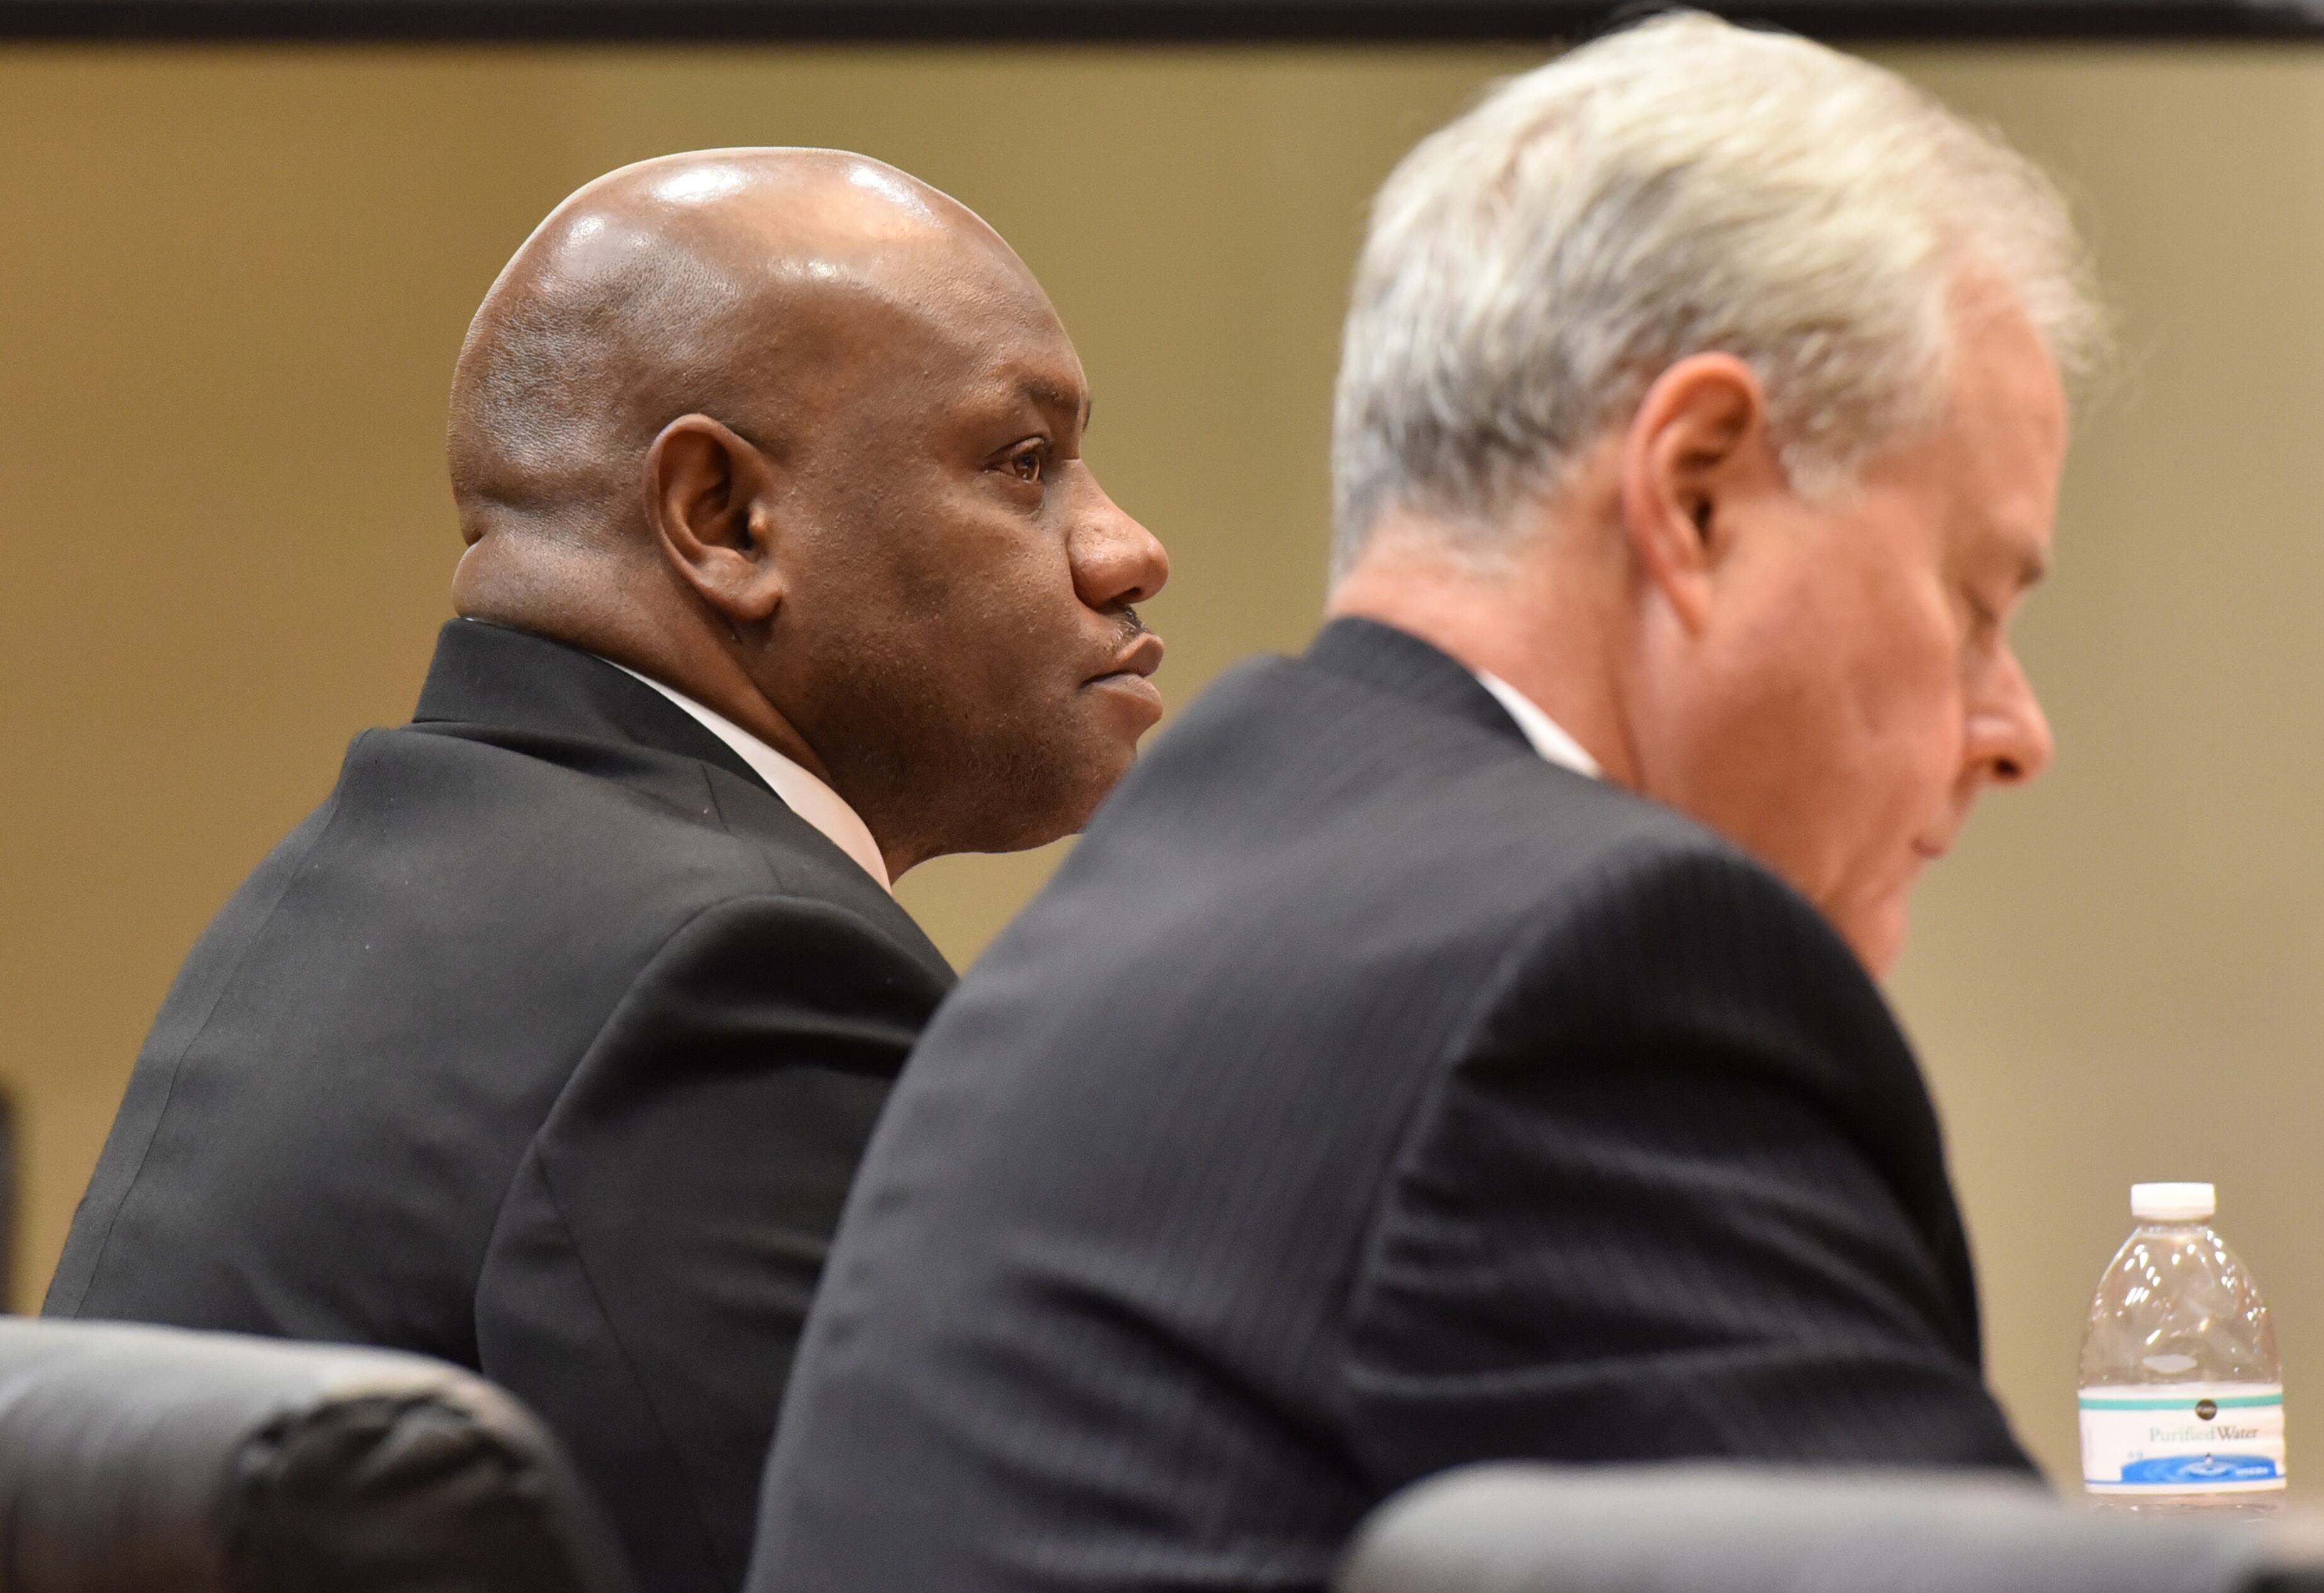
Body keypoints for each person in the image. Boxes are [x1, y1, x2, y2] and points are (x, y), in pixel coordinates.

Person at [744, 16, 2105, 1593]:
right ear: (1700, 487)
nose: (2016, 729)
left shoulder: (1194, 872)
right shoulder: (1597, 972)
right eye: (1974, 598)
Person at [45, 147, 1168, 1593]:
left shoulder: (378, 876)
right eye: (1024, 462)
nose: (1127, 546)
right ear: (724, 518)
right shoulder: (728, 970)